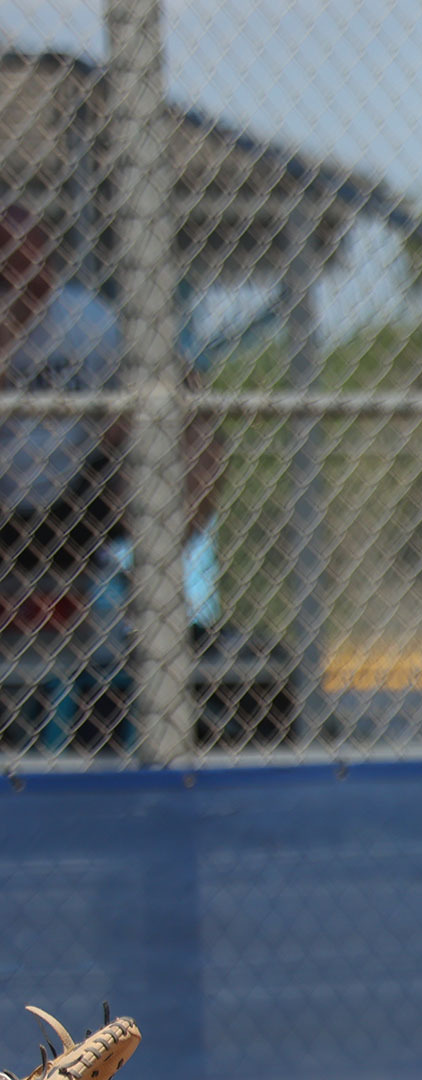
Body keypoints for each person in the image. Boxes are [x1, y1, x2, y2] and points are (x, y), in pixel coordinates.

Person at [0, 203, 224, 752]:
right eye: (11, 266)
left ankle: (157, 593)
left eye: (33, 263)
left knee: (193, 432)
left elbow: (176, 389)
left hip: (76, 497)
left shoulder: (85, 321)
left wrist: (135, 423)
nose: (25, 280)